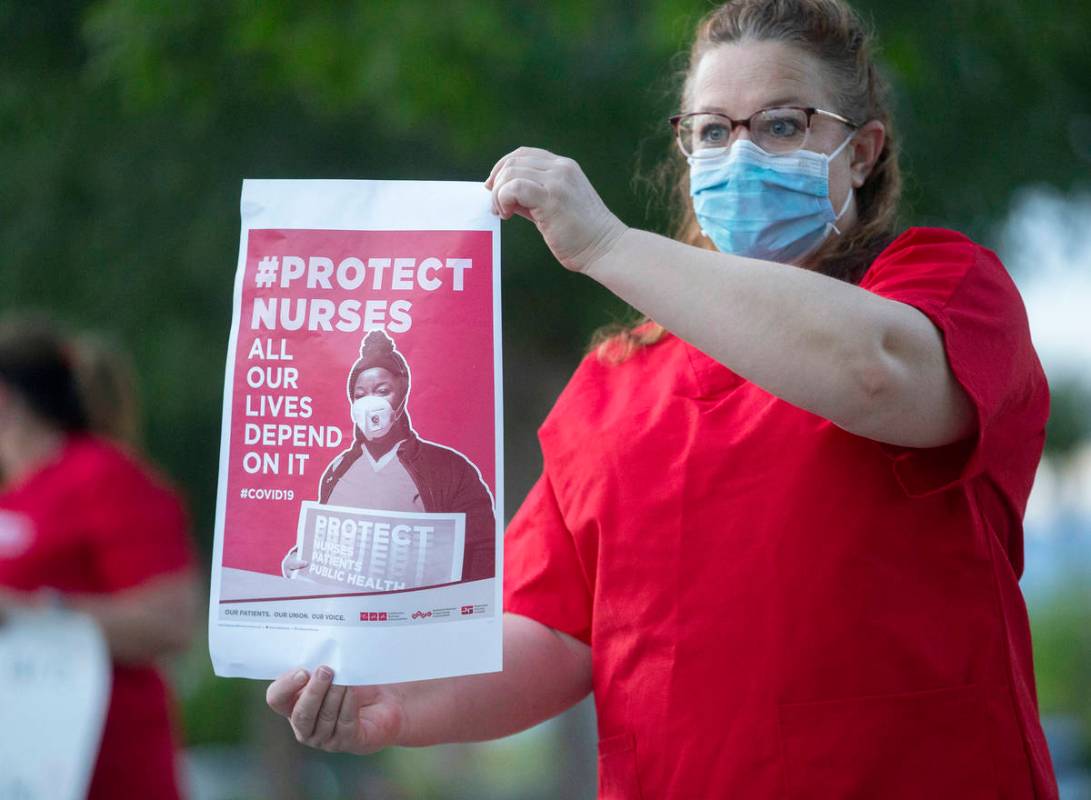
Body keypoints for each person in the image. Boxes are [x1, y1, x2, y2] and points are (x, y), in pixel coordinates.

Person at [266, 1, 1059, 797]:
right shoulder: (615, 380)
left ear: (862, 153)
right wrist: (391, 696)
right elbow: (549, 630)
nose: (740, 154)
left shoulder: (942, 289)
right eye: (712, 132)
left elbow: (877, 373)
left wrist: (607, 246)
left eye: (781, 125)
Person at [0, 318, 197, 800]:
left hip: (106, 764)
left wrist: (31, 613)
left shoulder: (101, 474)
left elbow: (173, 620)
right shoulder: (15, 493)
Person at [282, 329, 496, 583]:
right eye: (360, 396)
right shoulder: (338, 469)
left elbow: (484, 553)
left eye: (382, 391)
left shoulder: (449, 469)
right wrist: (297, 560)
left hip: (418, 617)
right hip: (345, 615)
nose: (369, 404)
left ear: (403, 395)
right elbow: (327, 545)